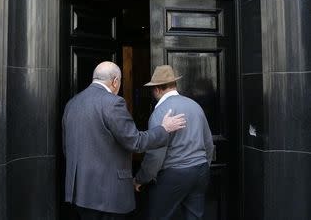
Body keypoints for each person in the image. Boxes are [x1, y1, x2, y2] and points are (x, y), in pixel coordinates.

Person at [62, 61, 187, 220]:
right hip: (108, 196)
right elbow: (135, 142)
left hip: (79, 194)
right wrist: (164, 129)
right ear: (115, 81)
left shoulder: (72, 103)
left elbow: (67, 148)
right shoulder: (113, 102)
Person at [133, 65, 214, 220]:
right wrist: (203, 165)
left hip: (174, 173)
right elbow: (208, 143)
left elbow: (155, 156)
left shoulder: (160, 112)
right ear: (174, 85)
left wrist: (140, 179)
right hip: (200, 170)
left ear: (156, 89)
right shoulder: (195, 106)